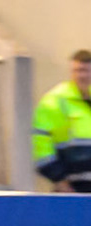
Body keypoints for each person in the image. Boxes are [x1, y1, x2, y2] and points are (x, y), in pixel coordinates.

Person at [33, 50, 91, 193]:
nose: (82, 76)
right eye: (78, 70)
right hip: (70, 187)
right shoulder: (53, 101)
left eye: (86, 70)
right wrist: (59, 181)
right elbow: (41, 145)